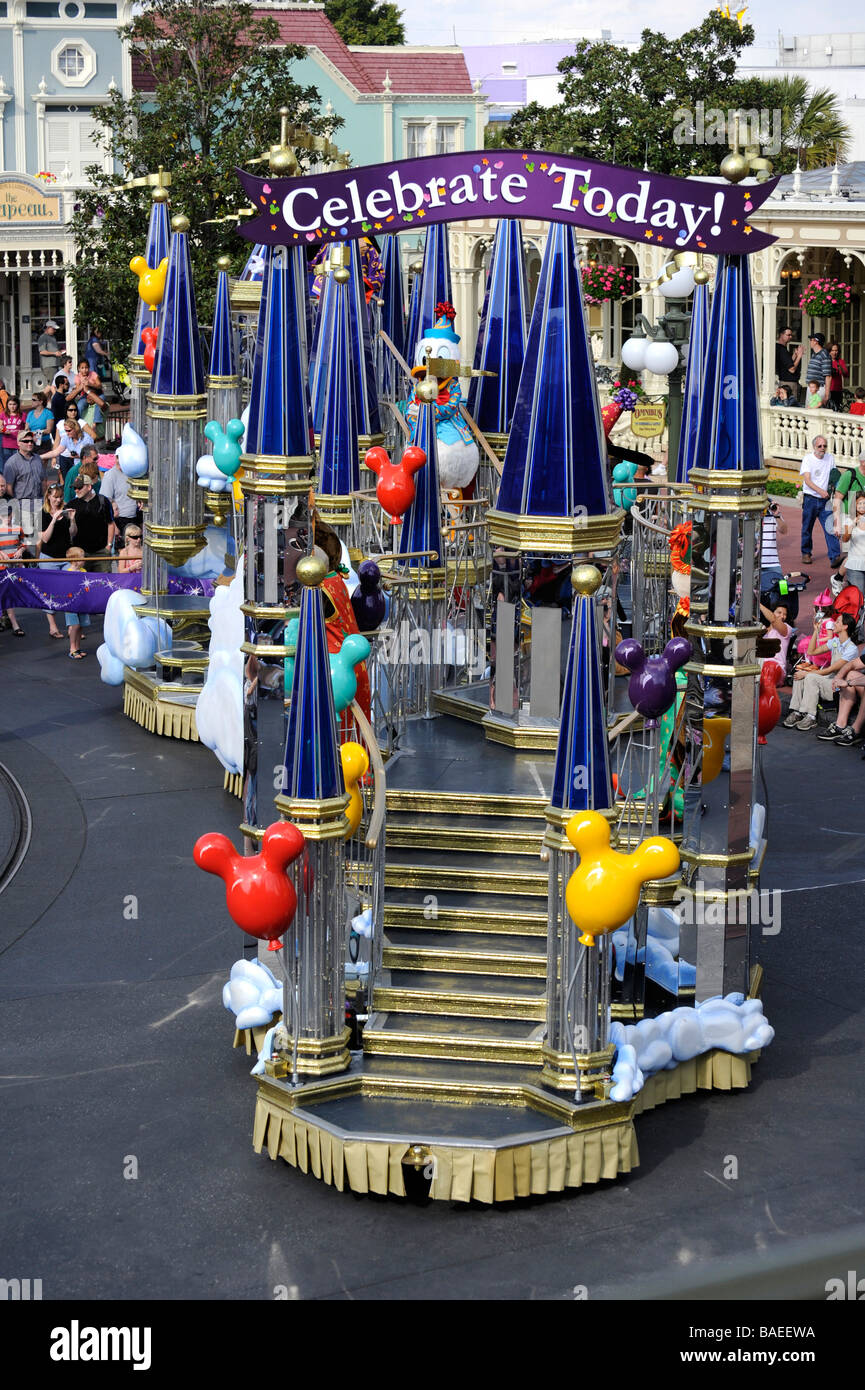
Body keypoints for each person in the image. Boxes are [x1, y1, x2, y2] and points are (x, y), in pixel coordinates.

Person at [783, 611, 860, 731]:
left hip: (838, 687)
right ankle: (797, 712)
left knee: (809, 676)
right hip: (828, 680)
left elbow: (831, 669)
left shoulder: (851, 649)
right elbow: (811, 651)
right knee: (799, 675)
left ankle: (811, 716)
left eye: (838, 621)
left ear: (845, 626)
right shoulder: (835, 642)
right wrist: (816, 631)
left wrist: (807, 673)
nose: (834, 623)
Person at [37, 482, 72, 640]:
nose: (58, 500)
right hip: (49, 557)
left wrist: (72, 520)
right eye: (55, 497)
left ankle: (73, 627)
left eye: (60, 497)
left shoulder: (65, 512)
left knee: (70, 590)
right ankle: (53, 626)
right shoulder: (43, 514)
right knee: (50, 592)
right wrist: (53, 520)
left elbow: (73, 534)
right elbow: (44, 538)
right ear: (48, 497)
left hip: (65, 557)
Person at [799, 436, 841, 568]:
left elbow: (834, 474)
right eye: (819, 446)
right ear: (814, 447)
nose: (822, 448)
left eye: (824, 446)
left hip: (825, 500)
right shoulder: (808, 459)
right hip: (811, 498)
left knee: (830, 528)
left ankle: (835, 556)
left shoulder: (830, 458)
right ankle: (806, 553)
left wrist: (832, 488)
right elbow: (807, 480)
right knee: (807, 528)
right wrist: (820, 491)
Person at [68, 471, 115, 571]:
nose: (76, 490)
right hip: (80, 553)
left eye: (79, 487)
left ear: (89, 487)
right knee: (81, 584)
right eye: (74, 488)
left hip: (101, 551)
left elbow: (110, 524)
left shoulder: (103, 501)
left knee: (104, 583)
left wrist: (109, 546)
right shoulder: (71, 505)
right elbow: (70, 532)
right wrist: (72, 520)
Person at [0, 476, 27, 636]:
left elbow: (22, 541)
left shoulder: (10, 502)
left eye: (3, 485)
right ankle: (8, 621)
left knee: (8, 593)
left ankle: (10, 621)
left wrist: (21, 550)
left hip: (10, 565)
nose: (2, 488)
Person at [99, 452, 141, 546]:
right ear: (116, 459)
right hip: (120, 520)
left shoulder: (133, 472)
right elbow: (104, 501)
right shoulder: (110, 475)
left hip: (135, 518)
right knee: (123, 552)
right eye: (118, 459)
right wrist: (114, 526)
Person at [62, 546, 90, 658]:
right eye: (82, 558)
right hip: (71, 604)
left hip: (82, 602)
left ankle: (78, 648)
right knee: (75, 625)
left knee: (81, 626)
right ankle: (72, 648)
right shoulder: (68, 573)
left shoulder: (84, 571)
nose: (85, 560)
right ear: (75, 561)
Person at [42, 414, 85, 482]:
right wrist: (40, 456)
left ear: (76, 429)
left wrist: (79, 456)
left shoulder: (86, 438)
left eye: (69, 431)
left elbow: (91, 456)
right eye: (65, 431)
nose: (67, 433)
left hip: (86, 468)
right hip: (76, 467)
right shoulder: (66, 438)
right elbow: (55, 452)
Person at [3, 429, 44, 500]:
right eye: (26, 441)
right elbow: (8, 487)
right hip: (22, 503)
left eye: (31, 441)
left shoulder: (38, 459)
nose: (30, 443)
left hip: (39, 502)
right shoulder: (11, 463)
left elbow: (43, 480)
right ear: (18, 443)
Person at [841, 494, 865, 595]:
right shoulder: (849, 520)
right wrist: (853, 524)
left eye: (864, 503)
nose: (863, 505)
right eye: (860, 503)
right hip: (856, 565)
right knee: (859, 598)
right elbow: (845, 539)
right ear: (855, 505)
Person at [761, 499, 787, 592]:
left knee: (783, 590)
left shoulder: (772, 515)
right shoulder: (748, 515)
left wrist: (777, 515)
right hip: (753, 562)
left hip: (772, 561)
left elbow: (784, 530)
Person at [775, 326, 803, 403]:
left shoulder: (781, 348)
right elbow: (792, 369)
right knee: (791, 405)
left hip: (785, 381)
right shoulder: (782, 350)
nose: (790, 337)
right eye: (788, 335)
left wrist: (795, 355)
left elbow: (787, 363)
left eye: (791, 335)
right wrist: (799, 356)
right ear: (781, 335)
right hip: (788, 384)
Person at [806, 332, 833, 408]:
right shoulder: (814, 354)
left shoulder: (824, 355)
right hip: (811, 388)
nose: (810, 342)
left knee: (815, 412)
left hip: (819, 389)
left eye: (811, 340)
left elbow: (828, 376)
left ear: (815, 341)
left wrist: (827, 395)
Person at [26, 390, 56, 456]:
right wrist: (32, 435)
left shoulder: (48, 413)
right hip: (31, 442)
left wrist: (37, 432)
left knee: (42, 463)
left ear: (41, 401)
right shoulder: (30, 414)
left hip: (44, 442)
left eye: (34, 400)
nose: (32, 401)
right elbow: (27, 428)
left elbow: (49, 430)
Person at [1, 394, 24, 463]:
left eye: (14, 404)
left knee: (18, 464)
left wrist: (22, 432)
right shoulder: (3, 414)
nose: (12, 406)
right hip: (6, 444)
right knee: (8, 464)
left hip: (18, 444)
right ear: (7, 405)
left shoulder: (22, 415)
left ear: (18, 405)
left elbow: (27, 428)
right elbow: (0, 427)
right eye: (10, 404)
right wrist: (5, 430)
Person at [827, 341, 848, 412]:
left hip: (837, 390)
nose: (834, 352)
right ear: (829, 351)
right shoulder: (826, 361)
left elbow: (846, 375)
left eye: (836, 350)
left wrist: (841, 368)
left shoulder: (840, 361)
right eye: (832, 350)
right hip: (828, 389)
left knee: (837, 411)